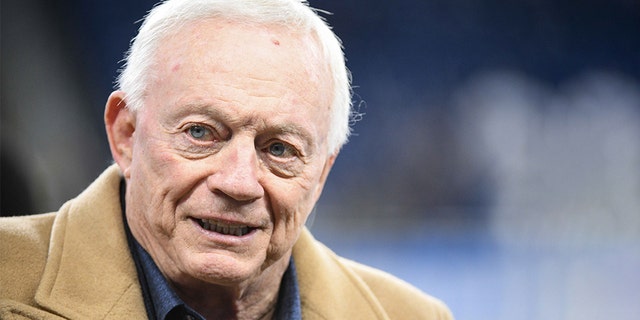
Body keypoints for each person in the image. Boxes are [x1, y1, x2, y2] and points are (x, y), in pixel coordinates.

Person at [0, 0, 453, 319]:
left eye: (279, 149)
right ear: (126, 136)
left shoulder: (413, 316)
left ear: (321, 175)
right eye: (200, 133)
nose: (238, 183)